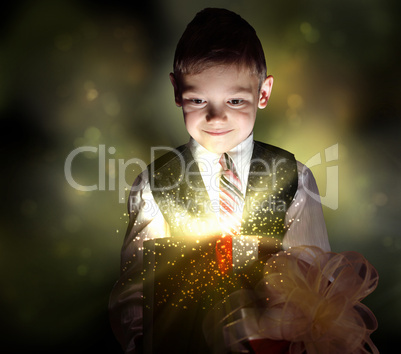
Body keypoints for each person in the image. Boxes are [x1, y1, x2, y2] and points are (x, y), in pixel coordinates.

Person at [109, 8, 331, 354]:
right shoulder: (154, 183)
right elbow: (137, 287)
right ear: (176, 91)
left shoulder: (294, 177)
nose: (216, 116)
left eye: (235, 100)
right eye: (198, 100)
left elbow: (313, 279)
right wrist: (142, 342)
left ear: (263, 92)